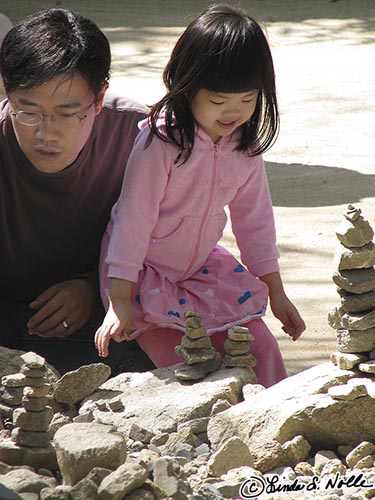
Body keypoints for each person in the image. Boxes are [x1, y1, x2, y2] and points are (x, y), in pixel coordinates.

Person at [95, 4, 306, 387]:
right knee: (188, 366)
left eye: (247, 98)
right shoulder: (160, 143)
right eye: (218, 99)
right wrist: (119, 301)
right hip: (143, 276)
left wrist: (276, 293)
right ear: (187, 84)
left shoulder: (244, 147)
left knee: (260, 347)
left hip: (200, 270)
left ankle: (277, 426)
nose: (234, 111)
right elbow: (132, 221)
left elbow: (254, 222)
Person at [0, 8, 156, 375]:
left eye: (68, 113)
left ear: (99, 98)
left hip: (105, 319)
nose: (46, 132)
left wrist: (94, 287)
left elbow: (178, 242)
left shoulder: (143, 138)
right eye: (29, 110)